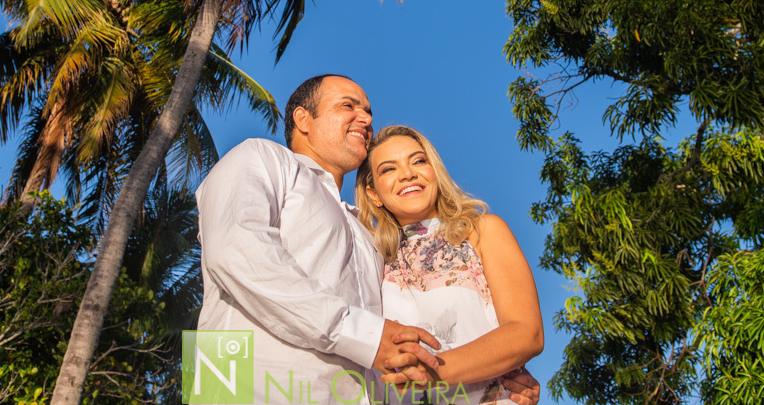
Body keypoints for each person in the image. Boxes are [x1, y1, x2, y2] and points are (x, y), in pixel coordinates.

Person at [197, 75, 541, 405]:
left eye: (369, 112)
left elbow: (398, 347)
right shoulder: (261, 158)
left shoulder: (370, 240)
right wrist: (365, 336)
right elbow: (233, 251)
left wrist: (499, 377)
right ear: (303, 119)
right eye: (349, 106)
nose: (366, 118)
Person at [356, 125, 545, 404]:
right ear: (373, 194)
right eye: (389, 169)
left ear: (435, 171)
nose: (408, 174)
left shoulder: (482, 232)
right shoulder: (369, 257)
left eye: (419, 161)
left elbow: (527, 334)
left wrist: (432, 371)